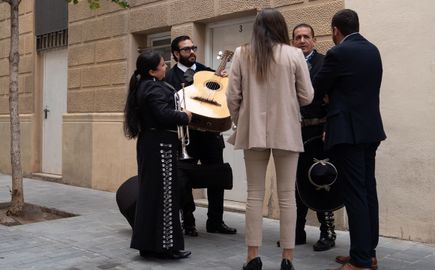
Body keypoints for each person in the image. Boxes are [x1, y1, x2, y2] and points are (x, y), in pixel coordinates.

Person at [227, 8, 314, 270]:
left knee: (254, 194)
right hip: (287, 130)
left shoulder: (243, 53)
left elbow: (232, 96)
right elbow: (308, 95)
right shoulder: (294, 54)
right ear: (282, 28)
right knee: (287, 195)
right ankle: (287, 259)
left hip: (252, 130)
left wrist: (239, 120)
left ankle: (253, 257)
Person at [312, 9, 386, 270]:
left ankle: (361, 261)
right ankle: (369, 252)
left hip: (347, 132)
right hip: (371, 130)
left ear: (335, 30)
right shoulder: (373, 50)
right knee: (368, 192)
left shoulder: (337, 53)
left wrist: (328, 95)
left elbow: (317, 88)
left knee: (355, 195)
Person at [165, 35, 237, 237]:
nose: (191, 52)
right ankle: (188, 221)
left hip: (211, 136)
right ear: (176, 54)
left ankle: (216, 221)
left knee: (217, 178)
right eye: (186, 49)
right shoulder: (170, 79)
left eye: (193, 47)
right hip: (186, 138)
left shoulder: (208, 72)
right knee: (184, 181)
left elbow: (223, 98)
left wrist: (224, 81)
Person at [123, 51, 192, 260]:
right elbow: (162, 114)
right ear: (152, 71)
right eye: (162, 65)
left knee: (151, 196)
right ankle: (166, 247)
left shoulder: (146, 85)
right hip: (160, 146)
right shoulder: (152, 87)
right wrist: (184, 116)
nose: (165, 67)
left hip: (153, 145)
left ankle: (149, 245)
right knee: (165, 197)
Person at [291, 23, 337, 252]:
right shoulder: (287, 65)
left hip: (318, 132)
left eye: (306, 37)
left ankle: (327, 233)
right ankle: (296, 232)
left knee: (321, 180)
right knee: (295, 183)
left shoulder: (324, 62)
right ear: (292, 41)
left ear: (314, 40)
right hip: (292, 133)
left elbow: (333, 98)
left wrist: (329, 126)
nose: (301, 40)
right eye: (297, 37)